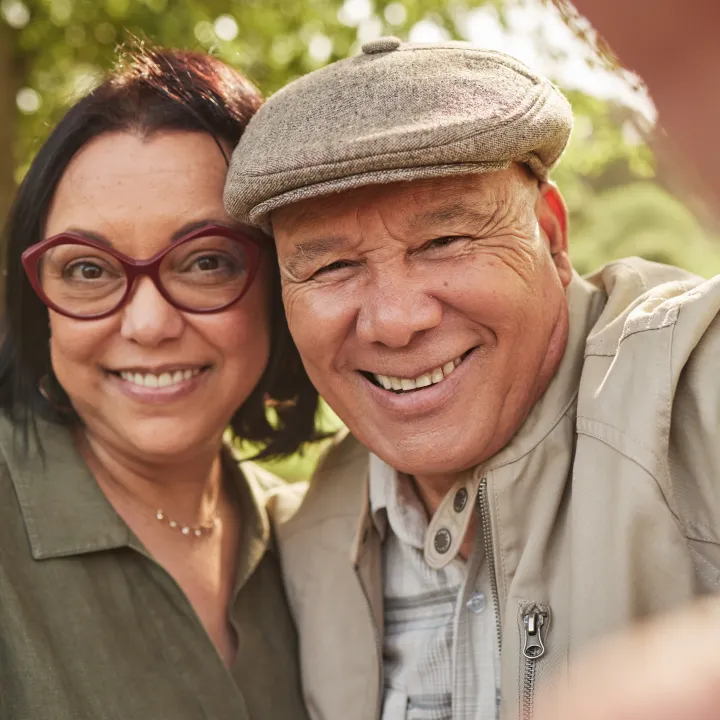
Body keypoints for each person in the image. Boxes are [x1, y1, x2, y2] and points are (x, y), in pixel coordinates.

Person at [224, 38, 720, 720]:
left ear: (551, 237)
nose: (395, 322)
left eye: (444, 241)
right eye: (331, 267)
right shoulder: (305, 538)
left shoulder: (696, 385)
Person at [0, 45, 316, 720]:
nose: (147, 324)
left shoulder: (323, 537)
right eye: (87, 270)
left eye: (206, 262)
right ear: (39, 303)